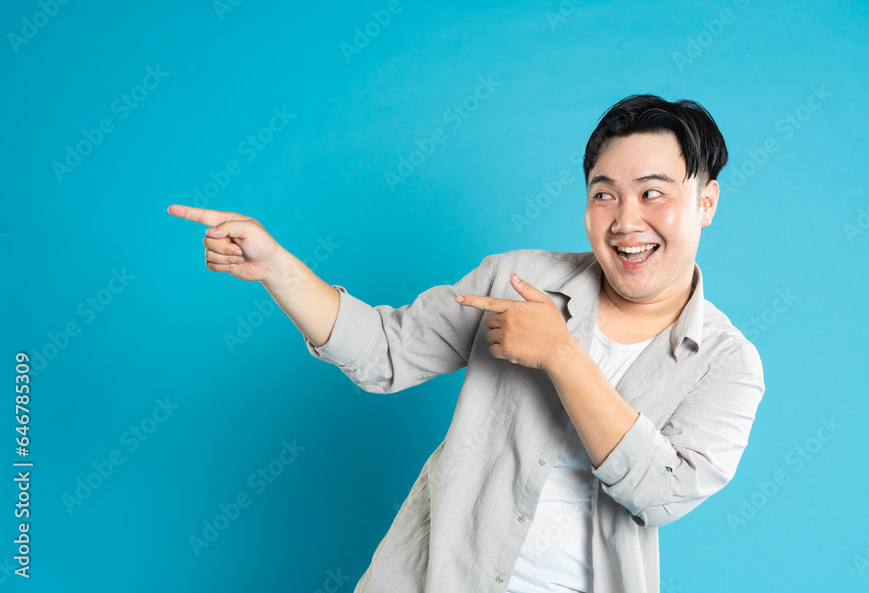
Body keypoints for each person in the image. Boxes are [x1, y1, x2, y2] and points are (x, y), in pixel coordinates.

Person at [168, 94, 764, 593]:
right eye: (604, 193)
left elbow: (659, 494)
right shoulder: (516, 280)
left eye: (653, 192)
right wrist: (277, 267)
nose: (625, 220)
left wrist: (561, 355)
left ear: (705, 202)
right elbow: (384, 352)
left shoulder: (727, 365)